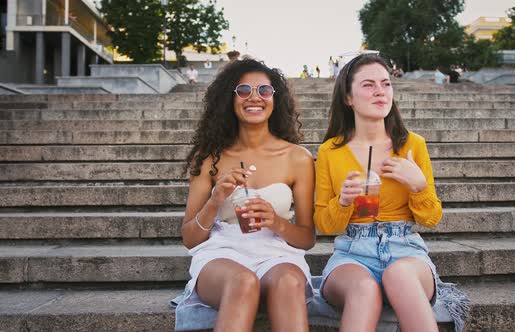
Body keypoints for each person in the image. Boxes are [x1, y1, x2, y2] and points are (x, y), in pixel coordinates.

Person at [314, 54, 469, 332]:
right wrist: (343, 201)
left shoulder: (413, 145)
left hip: (405, 249)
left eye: (386, 83)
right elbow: (325, 224)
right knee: (364, 289)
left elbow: (432, 218)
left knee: (399, 275)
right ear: (348, 97)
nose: (380, 91)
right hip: (352, 252)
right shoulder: (330, 151)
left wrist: (418, 186)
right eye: (368, 84)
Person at [178, 59, 316, 331]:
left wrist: (276, 223)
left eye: (264, 91)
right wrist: (216, 200)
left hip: (278, 253)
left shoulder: (298, 158)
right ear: (230, 98)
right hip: (222, 254)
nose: (255, 97)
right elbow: (190, 238)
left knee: (289, 281)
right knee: (243, 281)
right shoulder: (209, 158)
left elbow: (307, 238)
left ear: (275, 100)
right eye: (243, 90)